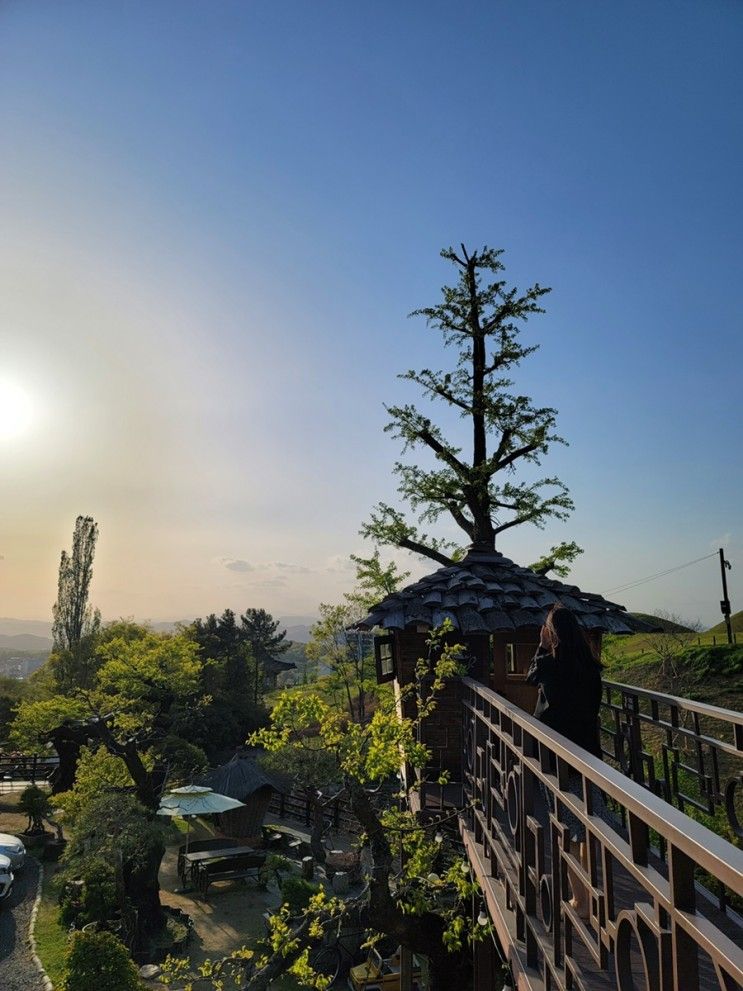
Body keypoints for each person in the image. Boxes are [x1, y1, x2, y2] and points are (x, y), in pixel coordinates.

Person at [526, 603, 605, 919]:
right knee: (586, 825)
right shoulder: (590, 667)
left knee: (566, 828)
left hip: (557, 757)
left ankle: (580, 901)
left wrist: (541, 647)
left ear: (552, 633)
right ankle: (594, 895)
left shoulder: (549, 665)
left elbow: (532, 676)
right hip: (588, 754)